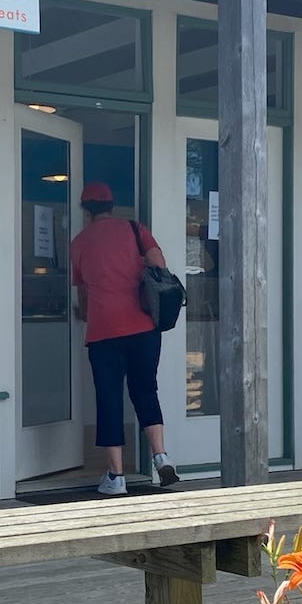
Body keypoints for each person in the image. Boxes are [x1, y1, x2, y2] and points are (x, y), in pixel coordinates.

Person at [69, 181, 178, 495]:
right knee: (145, 389)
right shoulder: (134, 229)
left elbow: (83, 295)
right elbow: (160, 265)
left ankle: (116, 477)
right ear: (111, 206)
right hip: (143, 328)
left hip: (104, 332)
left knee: (109, 398)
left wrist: (85, 312)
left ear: (85, 210)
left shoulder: (79, 243)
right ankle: (160, 456)